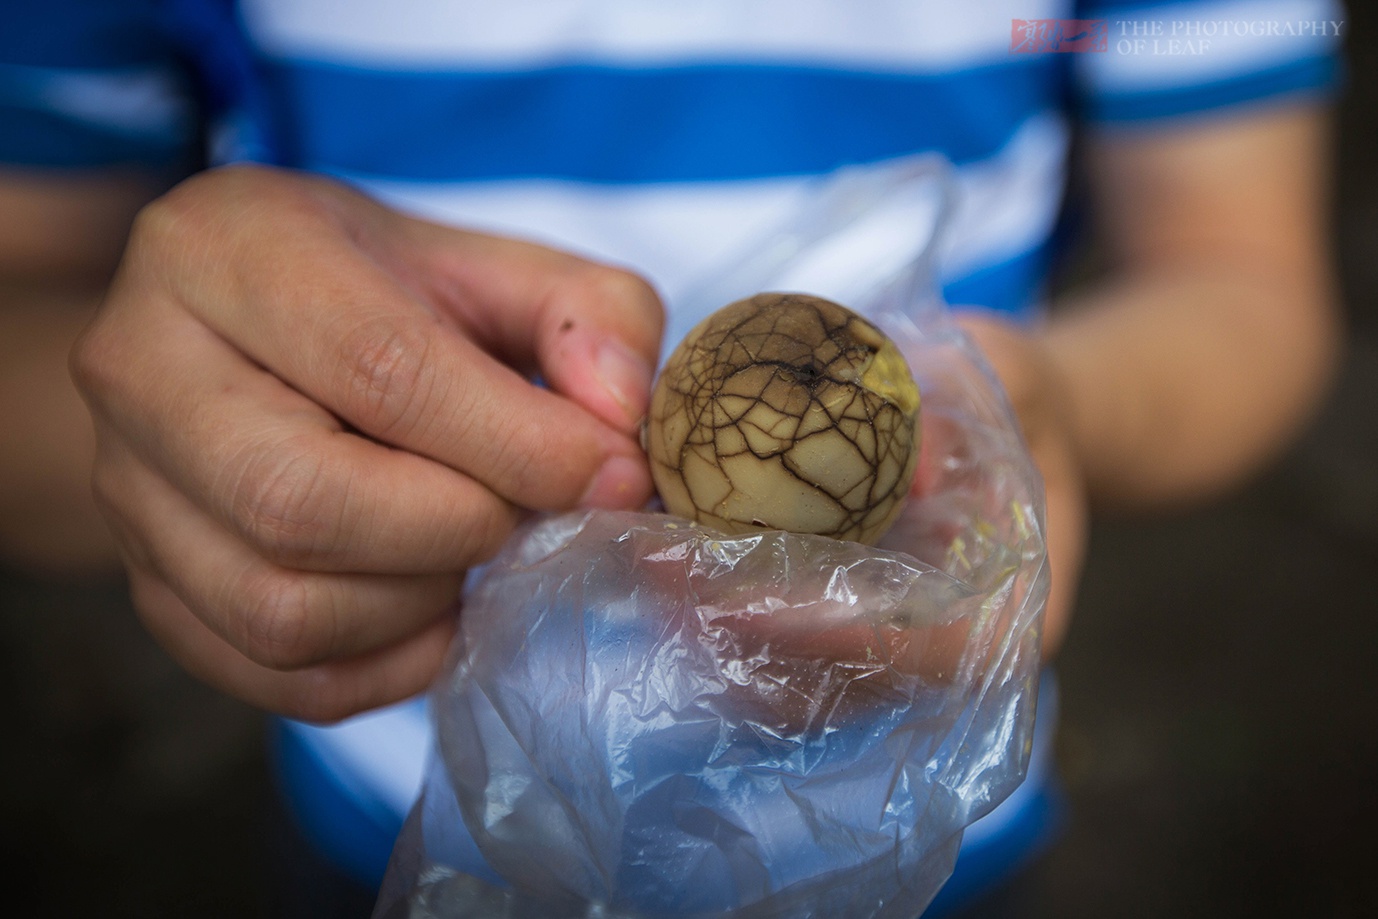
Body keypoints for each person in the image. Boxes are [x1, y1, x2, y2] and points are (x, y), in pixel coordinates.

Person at [1, 0, 1344, 914]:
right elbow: (33, 327)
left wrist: (1061, 407)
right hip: (403, 787)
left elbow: (1244, 280)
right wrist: (180, 463)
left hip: (932, 835)